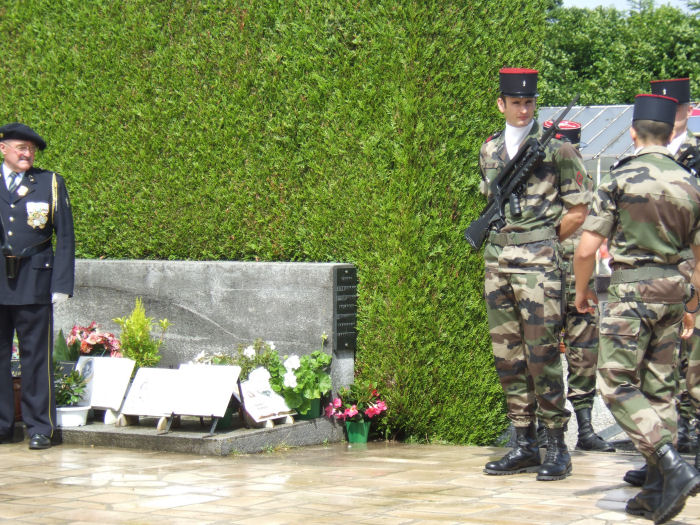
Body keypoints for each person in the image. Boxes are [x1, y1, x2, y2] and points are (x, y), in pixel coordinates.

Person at [573, 94, 700, 524]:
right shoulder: (690, 182)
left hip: (631, 294)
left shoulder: (620, 179)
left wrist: (581, 291)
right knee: (661, 387)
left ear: (633, 133)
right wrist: (693, 304)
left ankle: (669, 463)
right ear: (669, 133)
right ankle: (656, 490)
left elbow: (587, 247)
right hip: (674, 294)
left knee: (615, 383)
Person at [479, 68, 589, 481]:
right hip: (497, 264)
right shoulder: (489, 150)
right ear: (501, 104)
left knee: (542, 356)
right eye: (516, 102)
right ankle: (524, 444)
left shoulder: (558, 150)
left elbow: (578, 210)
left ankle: (557, 445)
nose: (524, 109)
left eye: (530, 102)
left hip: (539, 267)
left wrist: (541, 241)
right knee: (508, 358)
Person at [624, 77, 700, 487]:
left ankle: (686, 453)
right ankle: (662, 458)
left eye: (677, 107)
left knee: (695, 366)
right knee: (657, 370)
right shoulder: (644, 156)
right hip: (659, 273)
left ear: (686, 111)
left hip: (692, 263)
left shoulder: (695, 151)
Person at [0, 123, 75, 450]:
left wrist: (61, 283)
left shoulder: (49, 183)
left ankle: (40, 427)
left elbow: (65, 237)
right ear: (3, 149)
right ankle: (3, 425)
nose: (27, 154)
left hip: (35, 280)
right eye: (21, 148)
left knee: (36, 358)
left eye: (31, 149)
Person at [542, 119, 615, 453]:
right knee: (542, 357)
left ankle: (586, 429)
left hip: (580, 287)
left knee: (586, 354)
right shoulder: (537, 185)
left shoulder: (590, 188)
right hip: (544, 284)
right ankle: (545, 430)